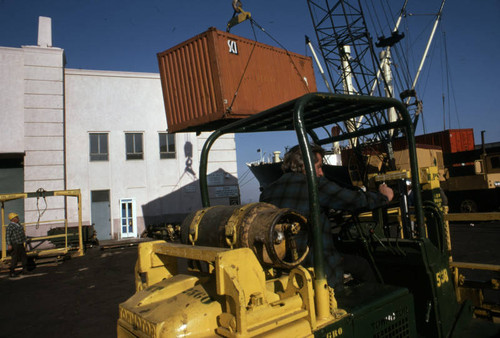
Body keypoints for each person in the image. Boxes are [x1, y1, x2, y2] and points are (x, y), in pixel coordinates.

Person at [260, 144, 394, 290]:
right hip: (317, 267)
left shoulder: (267, 192)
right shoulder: (315, 185)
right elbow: (353, 200)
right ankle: (372, 304)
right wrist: (383, 197)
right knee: (362, 265)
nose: (321, 173)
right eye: (319, 167)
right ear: (306, 166)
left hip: (285, 267)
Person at [6, 212, 28, 278]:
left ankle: (24, 269)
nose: (18, 218)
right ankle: (12, 272)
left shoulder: (19, 225)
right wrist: (9, 244)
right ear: (13, 219)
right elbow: (8, 236)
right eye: (16, 217)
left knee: (23, 256)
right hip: (15, 244)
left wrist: (25, 241)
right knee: (15, 258)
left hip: (20, 243)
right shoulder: (10, 226)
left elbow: (22, 234)